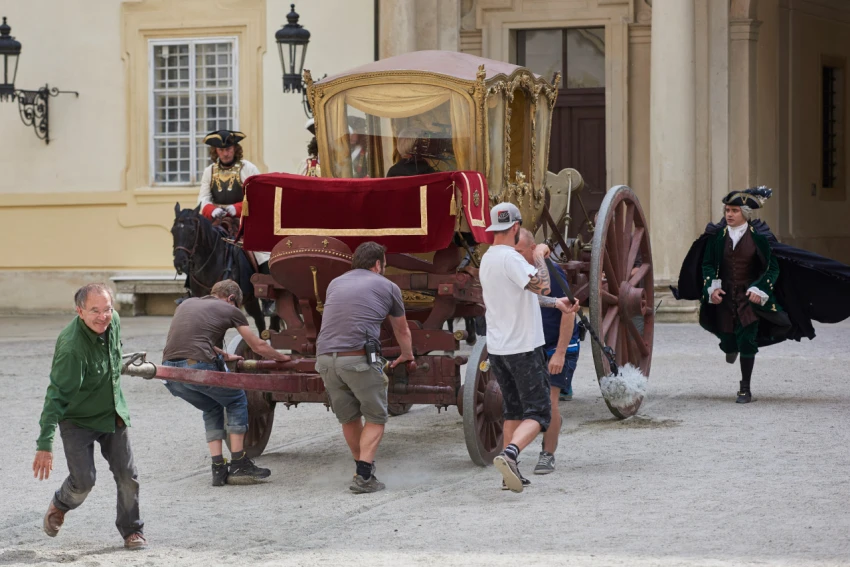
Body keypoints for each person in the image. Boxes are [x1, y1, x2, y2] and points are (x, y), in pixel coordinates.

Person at [33, 284, 146, 549]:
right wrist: (44, 445)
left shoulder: (113, 321)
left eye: (107, 309)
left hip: (112, 411)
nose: (103, 316)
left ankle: (133, 530)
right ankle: (61, 504)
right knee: (84, 482)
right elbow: (55, 397)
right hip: (77, 419)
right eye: (95, 310)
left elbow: (114, 356)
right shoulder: (72, 349)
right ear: (80, 311)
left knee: (127, 476)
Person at [479, 203, 580, 492]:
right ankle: (510, 455)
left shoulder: (488, 259)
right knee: (539, 412)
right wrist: (538, 256)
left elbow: (526, 296)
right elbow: (541, 286)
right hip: (523, 346)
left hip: (499, 348)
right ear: (515, 227)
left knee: (512, 411)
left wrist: (556, 304)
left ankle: (508, 473)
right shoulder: (511, 258)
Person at [161, 280, 289, 485]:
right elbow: (257, 345)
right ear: (231, 299)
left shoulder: (186, 304)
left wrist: (225, 355)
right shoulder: (230, 309)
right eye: (236, 304)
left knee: (212, 407)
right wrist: (283, 359)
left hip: (169, 372)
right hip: (198, 367)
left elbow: (191, 341)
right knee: (237, 399)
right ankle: (239, 463)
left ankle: (218, 468)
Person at [314, 242, 415, 494]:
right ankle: (364, 475)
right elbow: (401, 329)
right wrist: (407, 355)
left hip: (325, 359)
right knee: (376, 417)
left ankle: (362, 470)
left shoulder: (335, 283)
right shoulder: (388, 286)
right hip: (358, 359)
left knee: (348, 418)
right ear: (378, 264)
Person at [698, 188, 787, 403]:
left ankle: (745, 389)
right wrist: (712, 287)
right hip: (726, 296)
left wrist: (760, 289)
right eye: (727, 210)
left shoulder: (760, 239)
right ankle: (730, 347)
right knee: (728, 341)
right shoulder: (717, 237)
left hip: (750, 296)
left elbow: (772, 269)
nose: (729, 214)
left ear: (745, 214)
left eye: (734, 211)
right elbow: (708, 265)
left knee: (747, 339)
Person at [514, 229, 581, 475]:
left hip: (557, 342)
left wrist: (560, 353)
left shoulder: (552, 273)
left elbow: (569, 311)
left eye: (520, 251)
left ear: (533, 250)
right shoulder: (518, 272)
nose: (516, 256)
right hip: (533, 343)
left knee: (550, 401)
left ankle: (547, 455)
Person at [197, 129, 260, 222]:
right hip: (217, 220)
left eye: (228, 149)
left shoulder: (248, 169)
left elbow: (258, 197)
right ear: (216, 151)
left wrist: (238, 208)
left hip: (244, 221)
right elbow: (203, 198)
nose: (225, 154)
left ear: (235, 148)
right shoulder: (209, 171)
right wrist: (212, 210)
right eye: (221, 150)